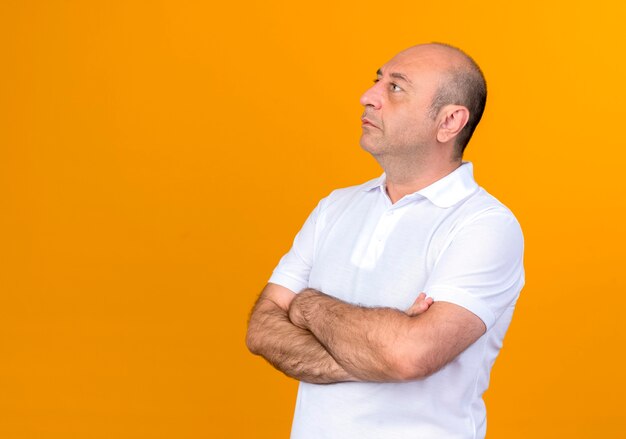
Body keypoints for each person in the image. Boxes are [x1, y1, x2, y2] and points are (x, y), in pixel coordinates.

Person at [246, 43, 525, 439]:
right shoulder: (335, 207)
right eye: (377, 80)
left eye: (395, 87)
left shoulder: (484, 225)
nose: (368, 96)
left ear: (449, 122)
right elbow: (261, 328)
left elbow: (410, 356)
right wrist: (376, 356)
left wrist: (305, 306)